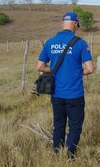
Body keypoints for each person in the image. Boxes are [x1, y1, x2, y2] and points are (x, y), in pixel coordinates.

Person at [36, 12, 95, 158]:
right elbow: (90, 69)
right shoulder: (80, 43)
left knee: (58, 125)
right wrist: (77, 71)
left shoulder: (50, 42)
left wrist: (54, 68)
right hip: (75, 94)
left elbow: (40, 67)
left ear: (63, 23)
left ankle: (57, 152)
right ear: (75, 24)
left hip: (56, 94)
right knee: (75, 126)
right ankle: (70, 156)